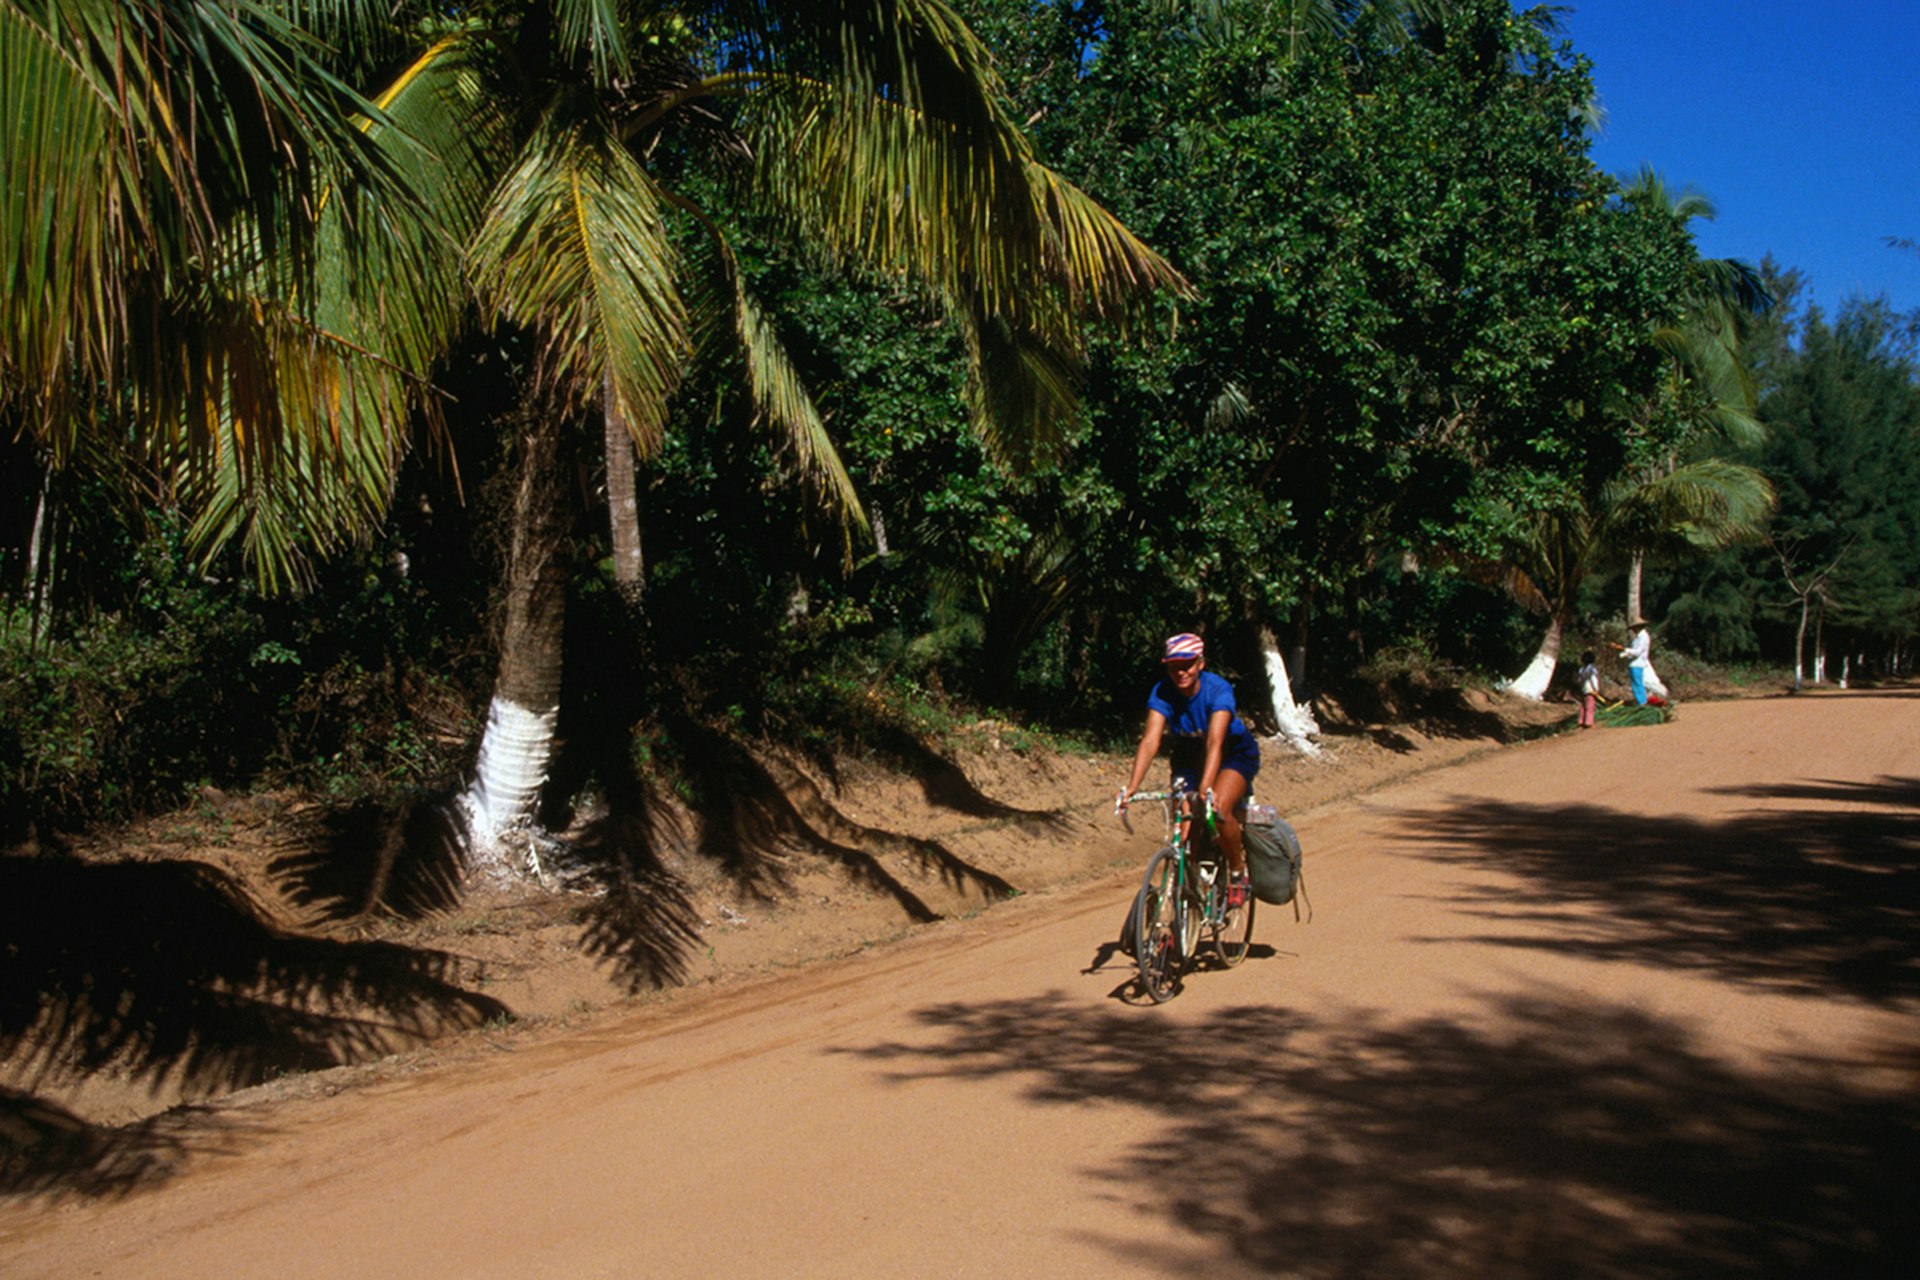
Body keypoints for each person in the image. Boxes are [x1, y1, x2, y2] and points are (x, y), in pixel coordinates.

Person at [1117, 632, 1262, 909]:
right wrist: (1132, 786)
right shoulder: (1162, 691)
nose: (1181, 672)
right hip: (1188, 753)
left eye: (1187, 664)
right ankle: (1184, 907)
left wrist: (1206, 789)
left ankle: (1236, 872)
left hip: (1233, 752)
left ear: (1201, 663)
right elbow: (1150, 740)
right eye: (1174, 666)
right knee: (1184, 833)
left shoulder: (1218, 690)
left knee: (1216, 810)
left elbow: (1215, 741)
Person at [1613, 619, 1652, 706]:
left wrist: (1623, 649)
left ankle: (1642, 703)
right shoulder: (1638, 638)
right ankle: (1640, 702)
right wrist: (1621, 653)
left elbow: (1637, 652)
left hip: (1638, 664)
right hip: (1634, 663)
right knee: (1635, 685)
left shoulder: (1643, 637)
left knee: (1638, 684)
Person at [1576, 650, 1600, 728]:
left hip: (1584, 690)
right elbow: (1593, 679)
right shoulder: (1592, 669)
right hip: (1591, 690)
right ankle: (1589, 722)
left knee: (1583, 706)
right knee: (1590, 707)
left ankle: (1581, 721)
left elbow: (1579, 680)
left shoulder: (1582, 669)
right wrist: (1596, 689)